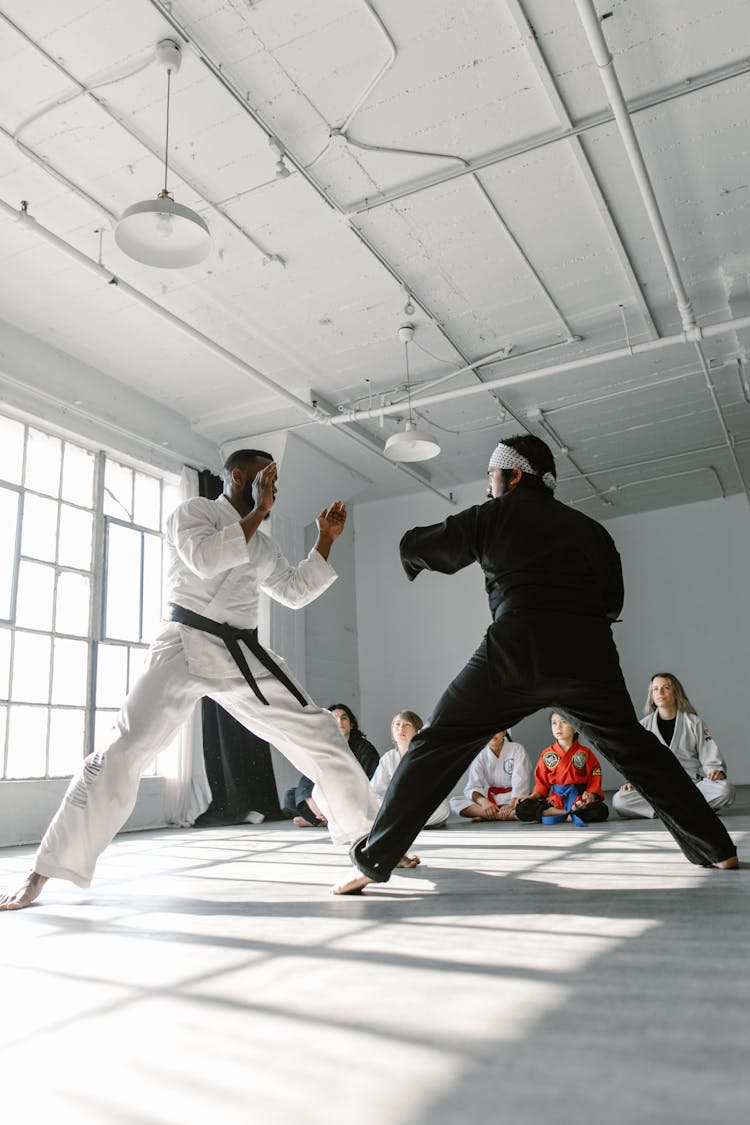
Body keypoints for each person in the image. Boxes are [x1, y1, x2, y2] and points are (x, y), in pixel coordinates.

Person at [334, 434, 737, 894]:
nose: (488, 486)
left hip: (515, 651)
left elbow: (428, 548)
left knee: (435, 745)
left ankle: (373, 860)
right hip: (590, 654)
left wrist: (406, 543)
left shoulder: (492, 515)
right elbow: (611, 602)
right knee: (639, 752)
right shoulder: (593, 531)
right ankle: (717, 847)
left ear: (514, 474)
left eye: (491, 477)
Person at [1, 449, 383, 911]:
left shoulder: (263, 544)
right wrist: (260, 510)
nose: (274, 490)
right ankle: (43, 872)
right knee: (121, 750)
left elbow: (295, 591)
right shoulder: (194, 512)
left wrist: (324, 540)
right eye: (267, 480)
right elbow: (204, 560)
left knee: (320, 729)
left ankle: (371, 844)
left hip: (242, 651)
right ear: (239, 477)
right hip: (183, 641)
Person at [613, 673, 735, 819]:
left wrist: (716, 771)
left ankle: (667, 810)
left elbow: (709, 753)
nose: (660, 693)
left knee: (725, 790)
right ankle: (690, 808)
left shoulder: (693, 722)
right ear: (651, 696)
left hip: (690, 786)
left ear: (676, 692)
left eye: (666, 688)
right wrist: (632, 781)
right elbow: (636, 761)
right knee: (619, 801)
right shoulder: (643, 726)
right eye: (655, 689)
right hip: (657, 788)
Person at [284, 704, 380, 827]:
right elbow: (308, 778)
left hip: (353, 797)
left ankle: (319, 821)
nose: (340, 721)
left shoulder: (364, 748)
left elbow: (372, 781)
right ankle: (323, 818)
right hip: (328, 796)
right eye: (334, 718)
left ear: (351, 725)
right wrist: (314, 806)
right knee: (290, 796)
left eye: (344, 718)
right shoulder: (322, 747)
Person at [515, 713, 609, 825]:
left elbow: (595, 775)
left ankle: (557, 813)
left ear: (575, 728)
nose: (558, 727)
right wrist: (533, 796)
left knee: (602, 810)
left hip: (578, 800)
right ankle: (567, 814)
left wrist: (591, 794)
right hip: (556, 801)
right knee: (522, 808)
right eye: (554, 723)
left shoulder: (585, 753)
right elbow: (542, 783)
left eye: (564, 722)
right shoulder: (547, 754)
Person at [372, 712, 450, 828]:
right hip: (395, 807)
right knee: (372, 804)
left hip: (417, 807)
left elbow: (433, 791)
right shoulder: (388, 758)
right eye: (397, 724)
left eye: (407, 724)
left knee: (443, 808)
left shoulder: (426, 757)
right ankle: (404, 822)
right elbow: (375, 791)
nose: (401, 728)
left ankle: (401, 823)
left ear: (417, 731)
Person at [450, 730, 532, 821]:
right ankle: (505, 815)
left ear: (504, 732)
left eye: (497, 730)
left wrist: (512, 805)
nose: (493, 734)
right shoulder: (480, 754)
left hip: (514, 797)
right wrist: (484, 802)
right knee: (455, 802)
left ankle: (487, 815)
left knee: (529, 805)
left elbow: (520, 779)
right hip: (491, 799)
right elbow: (473, 786)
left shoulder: (516, 749)